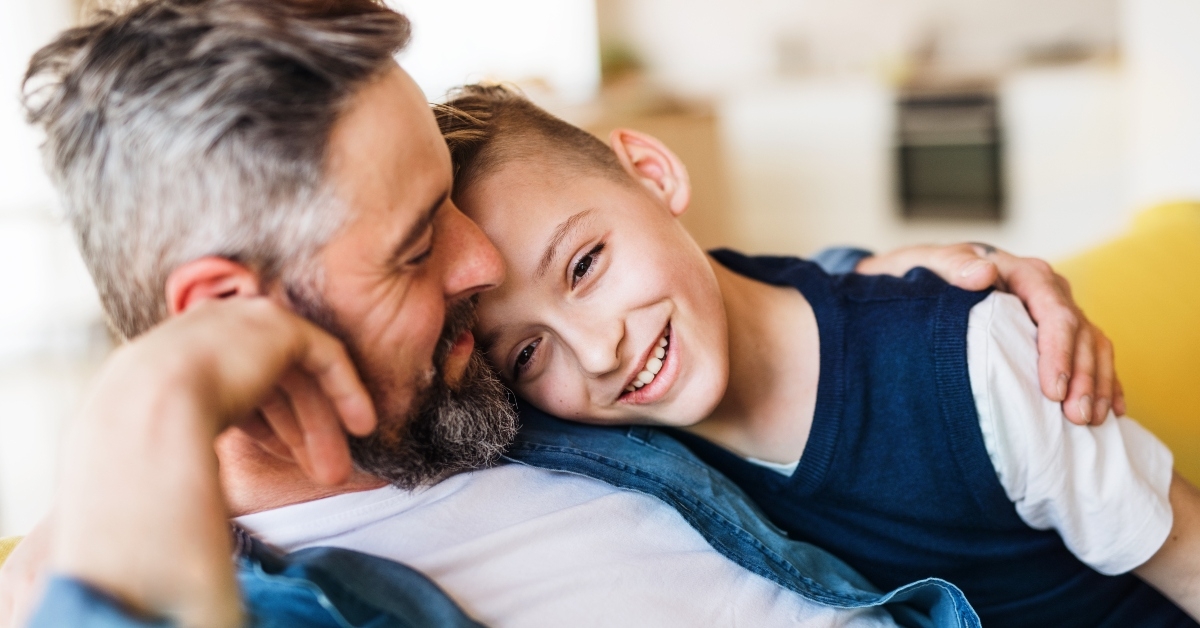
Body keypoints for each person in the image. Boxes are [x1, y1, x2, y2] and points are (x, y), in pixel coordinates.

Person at [0, 1, 1126, 626]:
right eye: (414, 243)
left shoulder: (473, 390)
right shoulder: (282, 600)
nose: (479, 261)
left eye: (451, 201)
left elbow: (678, 304)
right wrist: (132, 416)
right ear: (221, 311)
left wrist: (900, 287)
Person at [432, 84, 1200, 626]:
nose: (598, 351)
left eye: (585, 264)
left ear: (654, 173)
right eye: (529, 353)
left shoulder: (970, 354)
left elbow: (1187, 556)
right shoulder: (612, 456)